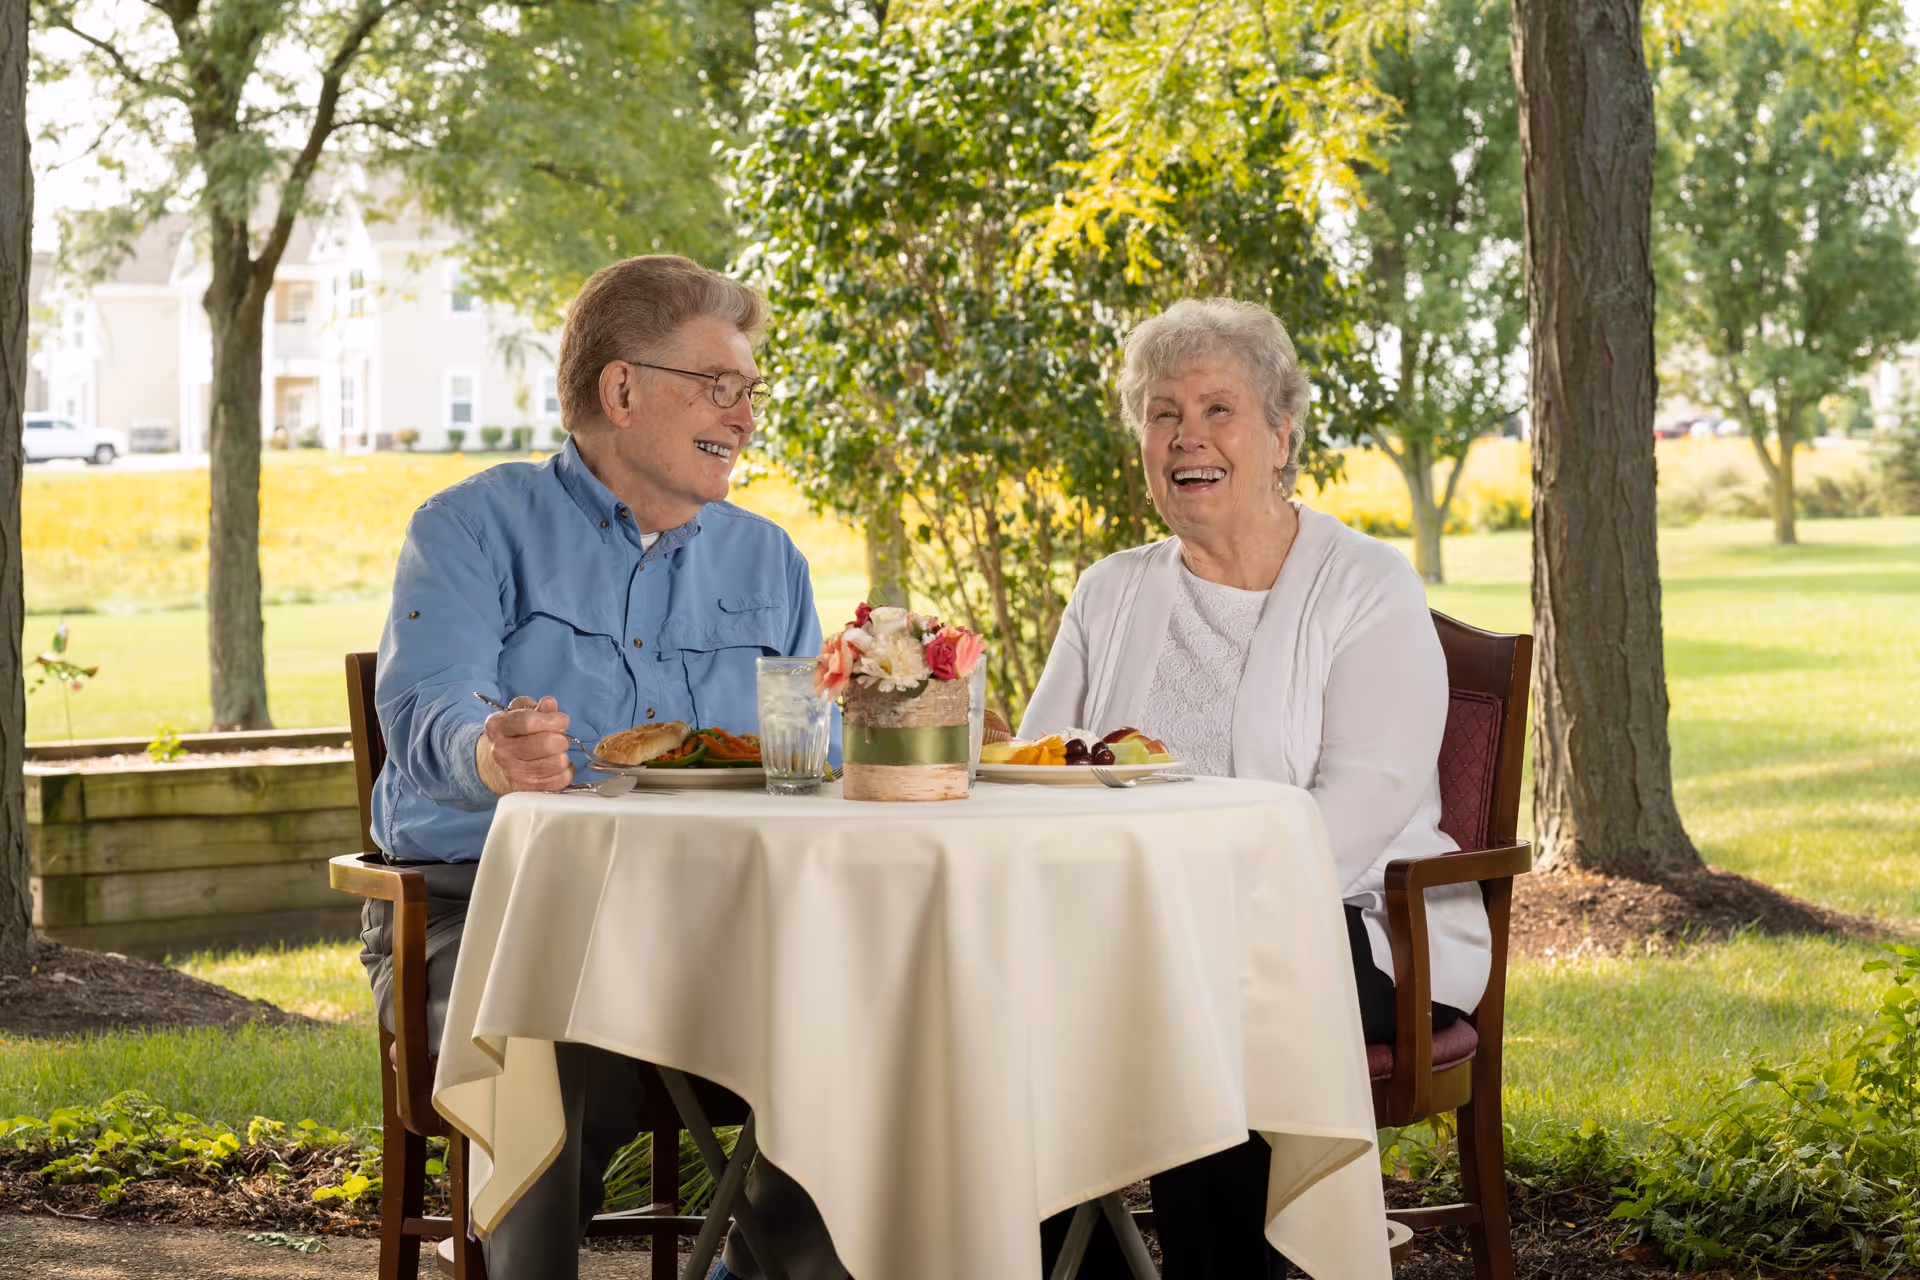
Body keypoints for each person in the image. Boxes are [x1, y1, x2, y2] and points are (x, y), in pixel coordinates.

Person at [359, 255, 847, 1280]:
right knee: (558, 1046)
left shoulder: (771, 561)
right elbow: (425, 708)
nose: (746, 414)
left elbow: (817, 764)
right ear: (622, 390)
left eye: (750, 389)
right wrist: (492, 749)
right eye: (720, 385)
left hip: (723, 920)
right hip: (493, 912)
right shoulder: (468, 529)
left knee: (866, 1015)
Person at [1020, 297, 1490, 1277]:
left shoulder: (1365, 583)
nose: (1187, 434)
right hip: (1122, 930)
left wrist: (1185, 906)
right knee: (991, 998)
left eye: (1217, 409)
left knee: (1211, 997)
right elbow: (1037, 770)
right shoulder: (1110, 591)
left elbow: (1364, 799)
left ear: (1283, 433)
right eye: (1162, 413)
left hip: (1350, 928)